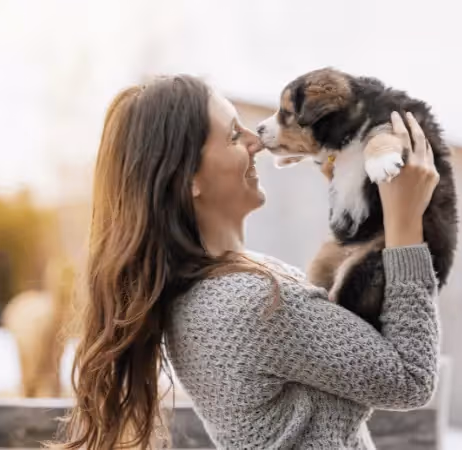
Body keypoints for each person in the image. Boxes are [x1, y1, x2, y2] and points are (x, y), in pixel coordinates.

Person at [54, 74, 441, 450]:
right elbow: (411, 377)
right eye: (234, 135)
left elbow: (348, 343)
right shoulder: (251, 302)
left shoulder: (228, 286)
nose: (257, 141)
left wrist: (357, 192)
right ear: (189, 179)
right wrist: (405, 226)